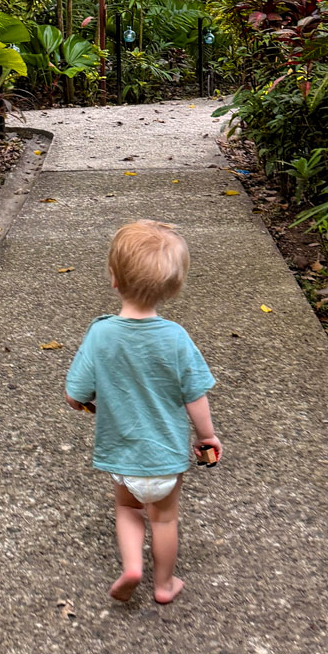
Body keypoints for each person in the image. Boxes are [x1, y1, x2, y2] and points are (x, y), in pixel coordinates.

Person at [64, 219, 220, 606]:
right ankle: (164, 585)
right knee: (164, 519)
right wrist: (206, 437)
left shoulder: (100, 334)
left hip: (122, 456)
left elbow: (74, 394)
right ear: (173, 287)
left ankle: (132, 566)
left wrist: (87, 403)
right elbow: (195, 396)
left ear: (114, 279)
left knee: (128, 508)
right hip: (166, 458)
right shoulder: (176, 338)